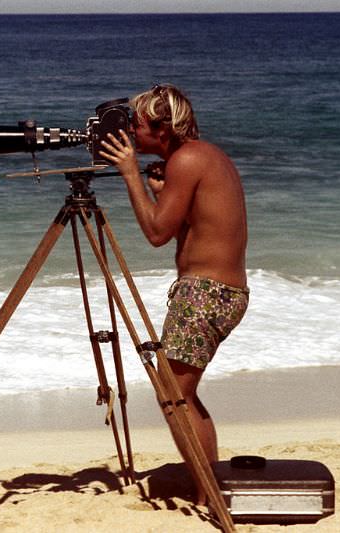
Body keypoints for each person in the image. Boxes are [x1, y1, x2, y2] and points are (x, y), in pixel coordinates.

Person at [99, 84, 248, 505]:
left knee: (175, 396)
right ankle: (208, 485)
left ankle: (207, 494)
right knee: (182, 395)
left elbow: (157, 233)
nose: (129, 132)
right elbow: (198, 224)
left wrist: (130, 173)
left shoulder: (186, 160)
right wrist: (163, 192)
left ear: (163, 130)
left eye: (137, 125)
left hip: (204, 294)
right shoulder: (201, 156)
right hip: (218, 291)